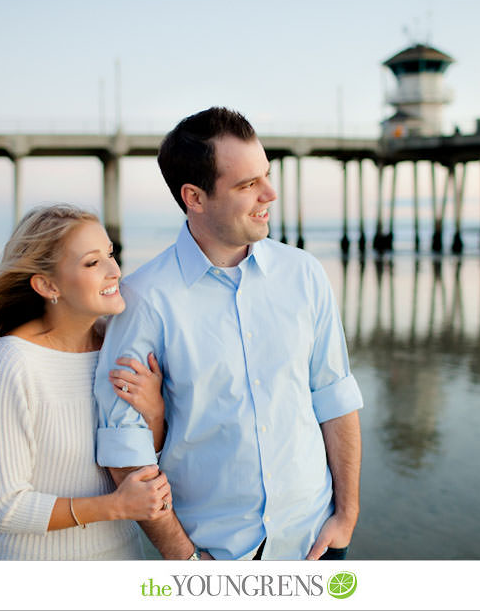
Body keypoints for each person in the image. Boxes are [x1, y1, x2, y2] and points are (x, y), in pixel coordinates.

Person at [95, 107, 363, 560]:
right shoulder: (144, 299)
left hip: (315, 541)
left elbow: (334, 397)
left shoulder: (305, 274)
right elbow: (125, 446)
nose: (271, 194)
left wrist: (347, 515)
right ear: (195, 197)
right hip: (217, 556)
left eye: (266, 175)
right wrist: (184, 556)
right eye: (247, 185)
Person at [0, 204, 172, 560]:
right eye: (92, 263)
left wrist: (155, 415)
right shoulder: (15, 361)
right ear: (47, 284)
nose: (114, 271)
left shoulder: (119, 345)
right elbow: (3, 508)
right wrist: (114, 506)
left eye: (111, 255)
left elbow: (141, 466)